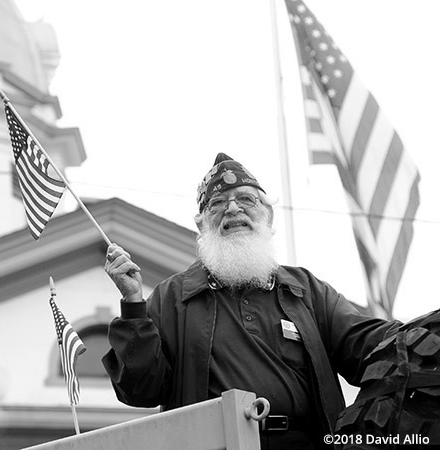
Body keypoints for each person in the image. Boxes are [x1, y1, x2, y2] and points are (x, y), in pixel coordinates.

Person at [102, 153, 401, 449]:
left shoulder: (307, 290)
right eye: (217, 203)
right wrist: (132, 304)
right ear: (202, 224)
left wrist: (423, 334)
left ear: (268, 215)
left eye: (246, 199)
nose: (233, 209)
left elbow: (369, 345)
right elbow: (140, 390)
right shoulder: (172, 298)